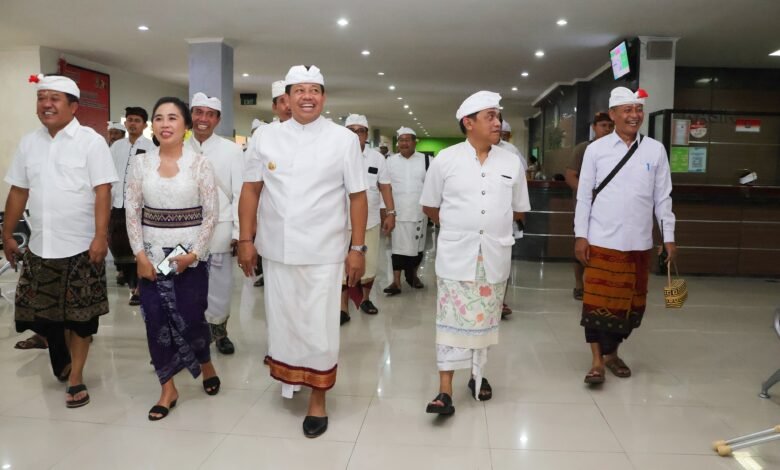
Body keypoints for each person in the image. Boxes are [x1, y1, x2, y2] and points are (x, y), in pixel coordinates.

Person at [238, 65, 367, 438]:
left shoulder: (343, 139)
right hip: (276, 249)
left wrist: (356, 248)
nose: (307, 97)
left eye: (315, 90)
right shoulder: (265, 137)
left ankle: (318, 398)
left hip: (325, 250)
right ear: (287, 97)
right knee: (283, 320)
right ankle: (291, 379)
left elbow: (357, 197)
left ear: (324, 98)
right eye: (300, 90)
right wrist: (246, 240)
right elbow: (251, 190)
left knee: (320, 326)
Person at [4, 74, 118, 408]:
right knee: (43, 316)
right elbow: (18, 190)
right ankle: (63, 358)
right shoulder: (29, 143)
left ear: (73, 105)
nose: (46, 105)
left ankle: (76, 376)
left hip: (81, 245)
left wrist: (100, 236)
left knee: (81, 320)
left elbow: (103, 191)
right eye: (42, 98)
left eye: (54, 98)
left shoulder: (90, 142)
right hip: (40, 245)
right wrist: (7, 234)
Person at [422, 91, 530, 415]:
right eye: (490, 117)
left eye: (498, 116)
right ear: (468, 123)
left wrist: (489, 225)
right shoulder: (446, 160)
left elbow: (519, 210)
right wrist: (459, 226)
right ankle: (444, 391)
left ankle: (477, 375)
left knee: (483, 321)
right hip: (456, 255)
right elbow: (430, 205)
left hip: (493, 256)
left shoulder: (511, 161)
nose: (498, 122)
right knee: (450, 321)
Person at [125, 96, 220, 420]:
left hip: (188, 256)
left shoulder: (200, 164)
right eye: (160, 118)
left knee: (192, 318)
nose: (165, 124)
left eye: (173, 118)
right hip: (151, 256)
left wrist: (194, 254)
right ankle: (168, 387)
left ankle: (205, 363)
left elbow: (211, 214)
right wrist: (139, 254)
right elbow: (133, 212)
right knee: (155, 320)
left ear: (186, 126)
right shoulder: (141, 163)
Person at [574, 87, 676, 385]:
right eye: (628, 110)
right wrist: (581, 235)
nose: (634, 116)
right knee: (595, 304)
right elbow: (583, 197)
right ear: (614, 115)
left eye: (638, 110)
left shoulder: (655, 150)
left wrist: (668, 236)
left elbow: (664, 197)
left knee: (631, 306)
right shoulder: (597, 150)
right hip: (601, 240)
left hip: (639, 243)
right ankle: (596, 361)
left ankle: (612, 353)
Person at [186, 92, 243, 355]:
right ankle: (188, 334)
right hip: (183, 229)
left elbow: (241, 192)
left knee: (218, 284)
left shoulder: (231, 150)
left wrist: (239, 233)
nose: (203, 119)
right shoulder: (178, 147)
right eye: (198, 112)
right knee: (184, 282)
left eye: (209, 114)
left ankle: (219, 332)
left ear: (218, 119)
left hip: (220, 226)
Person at [340, 114, 396, 325]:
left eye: (360, 131)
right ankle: (342, 307)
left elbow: (385, 187)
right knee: (341, 267)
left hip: (370, 221)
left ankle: (365, 299)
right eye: (351, 131)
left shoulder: (377, 158)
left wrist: (390, 213)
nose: (356, 135)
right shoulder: (336, 155)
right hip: (340, 221)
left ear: (366, 135)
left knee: (370, 265)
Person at [564, 112, 614, 300]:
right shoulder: (584, 149)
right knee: (582, 244)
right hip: (585, 207)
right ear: (594, 127)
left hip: (609, 208)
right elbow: (570, 175)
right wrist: (588, 194)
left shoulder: (618, 150)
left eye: (610, 126)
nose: (607, 129)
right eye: (603, 125)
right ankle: (580, 284)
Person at [109, 106, 155, 306]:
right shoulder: (116, 146)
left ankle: (138, 288)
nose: (132, 123)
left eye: (137, 120)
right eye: (130, 120)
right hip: (117, 204)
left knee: (138, 247)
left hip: (139, 206)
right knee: (120, 247)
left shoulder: (152, 148)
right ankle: (131, 284)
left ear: (144, 125)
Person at [383, 127, 428, 295]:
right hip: (397, 212)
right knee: (397, 249)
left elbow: (433, 187)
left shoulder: (427, 160)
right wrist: (386, 212)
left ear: (415, 142)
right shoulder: (389, 162)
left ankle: (414, 276)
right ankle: (396, 282)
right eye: (401, 140)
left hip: (419, 212)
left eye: (407, 140)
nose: (404, 143)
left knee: (417, 248)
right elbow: (384, 187)